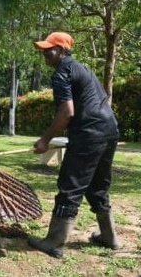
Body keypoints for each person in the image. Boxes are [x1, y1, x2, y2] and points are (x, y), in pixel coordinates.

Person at [28, 32, 120, 258]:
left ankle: (54, 242)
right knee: (98, 185)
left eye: (48, 49)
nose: (44, 54)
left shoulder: (63, 71)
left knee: (70, 185)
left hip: (89, 133)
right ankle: (109, 237)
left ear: (61, 50)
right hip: (109, 130)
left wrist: (45, 140)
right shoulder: (82, 68)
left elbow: (67, 112)